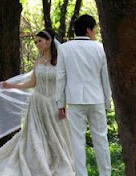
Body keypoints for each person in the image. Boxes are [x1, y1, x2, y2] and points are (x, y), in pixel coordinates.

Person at [0, 29, 75, 175]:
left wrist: (64, 104)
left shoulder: (61, 61)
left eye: (39, 41)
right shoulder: (38, 61)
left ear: (49, 41)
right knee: (35, 135)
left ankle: (55, 161)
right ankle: (38, 162)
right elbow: (32, 83)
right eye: (36, 42)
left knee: (55, 136)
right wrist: (11, 85)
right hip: (37, 103)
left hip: (54, 103)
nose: (37, 44)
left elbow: (65, 84)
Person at [56, 14, 112, 176]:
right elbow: (105, 79)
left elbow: (61, 78)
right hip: (97, 99)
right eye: (95, 29)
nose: (95, 32)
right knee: (101, 139)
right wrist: (107, 101)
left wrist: (61, 104)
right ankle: (105, 174)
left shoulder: (64, 49)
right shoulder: (100, 48)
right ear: (88, 30)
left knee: (77, 141)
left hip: (74, 101)